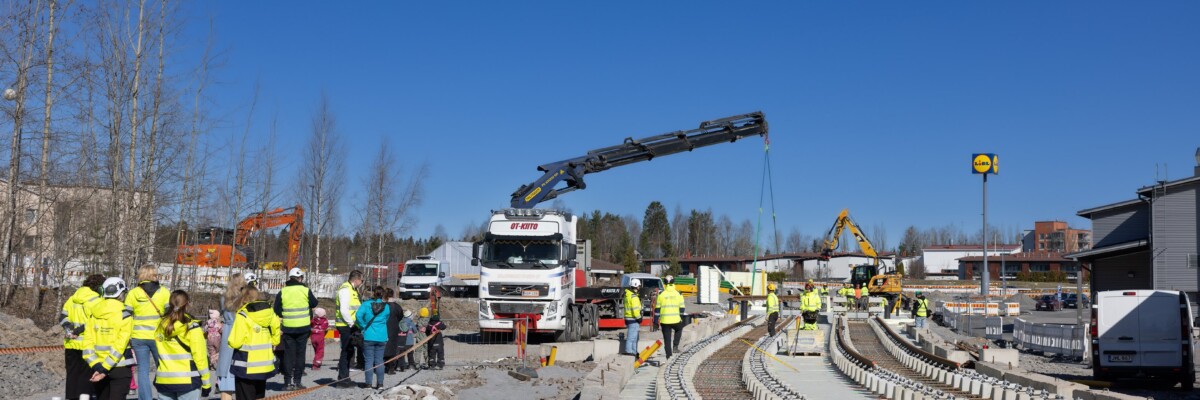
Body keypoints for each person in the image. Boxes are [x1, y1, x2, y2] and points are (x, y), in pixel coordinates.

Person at [83, 277, 135, 400]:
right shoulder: (125, 314)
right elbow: (120, 345)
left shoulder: (93, 313)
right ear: (122, 293)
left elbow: (87, 344)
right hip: (119, 367)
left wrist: (97, 366)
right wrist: (106, 368)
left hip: (97, 367)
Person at [154, 290, 212, 400]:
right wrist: (206, 382)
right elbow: (200, 357)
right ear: (187, 305)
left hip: (164, 379)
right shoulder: (192, 328)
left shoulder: (160, 325)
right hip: (188, 381)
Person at [229, 286, 281, 400]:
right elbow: (276, 331)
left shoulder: (243, 314)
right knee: (259, 395)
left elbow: (235, 342)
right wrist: (273, 341)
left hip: (246, 364)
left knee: (244, 395)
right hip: (264, 363)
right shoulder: (269, 312)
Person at [126, 264, 169, 400]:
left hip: (138, 337)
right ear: (154, 275)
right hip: (158, 337)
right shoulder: (164, 292)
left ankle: (145, 398)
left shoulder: (133, 293)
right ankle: (164, 396)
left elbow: (126, 316)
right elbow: (169, 315)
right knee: (163, 367)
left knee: (143, 371)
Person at [273, 268, 318, 391]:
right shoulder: (305, 290)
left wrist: (286, 315)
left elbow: (276, 309)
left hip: (288, 327)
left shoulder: (283, 291)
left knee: (288, 354)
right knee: (300, 354)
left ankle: (287, 383)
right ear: (300, 278)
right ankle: (297, 382)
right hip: (303, 328)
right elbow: (314, 303)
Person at [62, 274, 104, 400]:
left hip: (71, 343)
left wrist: (70, 330)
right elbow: (94, 322)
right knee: (86, 377)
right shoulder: (97, 301)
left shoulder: (72, 299)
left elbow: (63, 316)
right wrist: (78, 331)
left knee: (72, 375)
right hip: (87, 344)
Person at [216, 273, 247, 400]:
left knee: (226, 367)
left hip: (228, 332)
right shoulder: (245, 298)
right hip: (241, 330)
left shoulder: (224, 298)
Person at [356, 286, 391, 389]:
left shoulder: (366, 304)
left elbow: (358, 316)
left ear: (373, 293)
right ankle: (380, 384)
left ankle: (368, 383)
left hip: (368, 335)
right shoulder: (386, 307)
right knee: (379, 360)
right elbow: (386, 319)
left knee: (369, 361)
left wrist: (362, 325)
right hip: (382, 336)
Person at [334, 270, 364, 388]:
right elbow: (344, 309)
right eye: (361, 280)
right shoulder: (345, 290)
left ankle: (345, 377)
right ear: (356, 279)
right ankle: (342, 379)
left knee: (350, 351)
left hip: (351, 325)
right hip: (346, 325)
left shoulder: (352, 290)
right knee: (346, 351)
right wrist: (351, 323)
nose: (361, 283)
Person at [655, 275, 686, 359]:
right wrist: (681, 317)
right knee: (679, 329)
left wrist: (655, 322)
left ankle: (668, 356)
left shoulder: (661, 294)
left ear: (665, 283)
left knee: (667, 339)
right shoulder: (678, 294)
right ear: (673, 282)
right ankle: (675, 347)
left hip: (665, 322)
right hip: (676, 320)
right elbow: (682, 308)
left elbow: (657, 309)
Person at [383, 289, 403, 375]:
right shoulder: (397, 307)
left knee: (384, 347)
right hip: (394, 329)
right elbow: (400, 316)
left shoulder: (383, 306)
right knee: (393, 348)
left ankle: (384, 366)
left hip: (384, 328)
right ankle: (391, 367)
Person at [623, 278, 643, 357]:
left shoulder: (628, 295)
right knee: (632, 338)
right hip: (634, 319)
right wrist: (639, 318)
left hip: (628, 318)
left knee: (634, 338)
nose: (639, 287)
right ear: (636, 286)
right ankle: (629, 352)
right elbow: (635, 310)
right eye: (639, 286)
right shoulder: (634, 297)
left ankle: (634, 352)